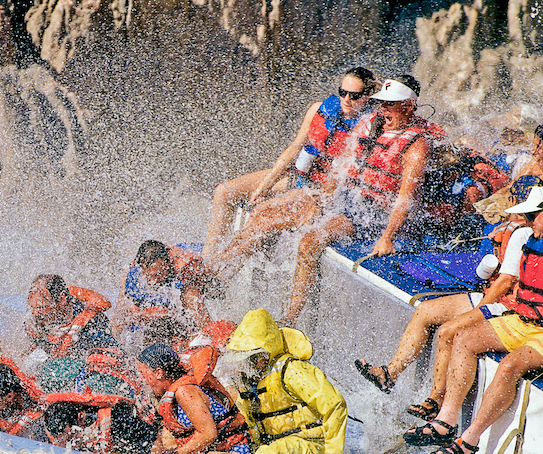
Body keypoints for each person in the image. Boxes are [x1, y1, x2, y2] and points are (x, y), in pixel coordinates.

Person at [408, 187, 543, 454]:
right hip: (527, 320)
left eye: (531, 215)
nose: (527, 221)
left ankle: (469, 440)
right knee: (463, 338)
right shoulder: (533, 238)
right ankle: (446, 420)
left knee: (509, 367)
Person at [354, 177, 537, 418]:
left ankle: (435, 400)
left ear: (513, 200)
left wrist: (479, 310)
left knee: (448, 331)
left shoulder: (522, 234)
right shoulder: (512, 228)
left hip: (504, 302)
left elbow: (506, 282)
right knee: (425, 311)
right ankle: (390, 373)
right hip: (491, 293)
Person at [281, 76, 439, 322]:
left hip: (375, 214)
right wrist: (320, 204)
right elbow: (340, 168)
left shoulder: (416, 145)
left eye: (390, 105)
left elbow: (405, 200)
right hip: (349, 199)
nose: (383, 110)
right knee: (270, 216)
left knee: (309, 242)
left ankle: (290, 319)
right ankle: (215, 273)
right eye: (381, 104)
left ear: (408, 106)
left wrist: (387, 237)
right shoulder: (367, 124)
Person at [204, 67, 378, 260]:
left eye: (354, 96)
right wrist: (263, 187)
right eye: (342, 92)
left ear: (368, 95)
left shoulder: (368, 129)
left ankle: (219, 267)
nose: (346, 99)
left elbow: (345, 177)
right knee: (224, 191)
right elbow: (294, 148)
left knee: (260, 212)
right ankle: (206, 258)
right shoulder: (319, 109)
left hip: (319, 191)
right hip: (299, 177)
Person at [224, 309, 347, 454]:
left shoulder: (292, 371)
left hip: (313, 444)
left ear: (268, 351)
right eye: (246, 358)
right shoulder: (249, 380)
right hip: (279, 446)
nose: (249, 364)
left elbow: (334, 404)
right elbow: (247, 422)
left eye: (253, 357)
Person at [136, 343, 251, 454]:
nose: (142, 380)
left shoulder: (185, 392)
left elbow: (208, 434)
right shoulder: (173, 393)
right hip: (216, 453)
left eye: (142, 373)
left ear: (158, 373)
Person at [116, 240, 219, 342]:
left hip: (209, 281)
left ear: (167, 264)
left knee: (189, 295)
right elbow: (121, 308)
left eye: (157, 274)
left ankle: (213, 335)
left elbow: (193, 295)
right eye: (148, 275)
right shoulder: (138, 265)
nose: (152, 281)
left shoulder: (184, 267)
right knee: (128, 306)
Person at [43, 392, 159, 454]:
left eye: (70, 437)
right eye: (61, 441)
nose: (69, 445)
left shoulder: (117, 422)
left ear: (81, 419)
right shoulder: (51, 428)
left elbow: (156, 449)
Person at [25, 274, 117, 360]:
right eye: (32, 307)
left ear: (61, 299)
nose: (35, 313)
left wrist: (70, 290)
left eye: (42, 307)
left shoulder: (92, 322)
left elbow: (104, 303)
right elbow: (28, 348)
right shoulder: (35, 316)